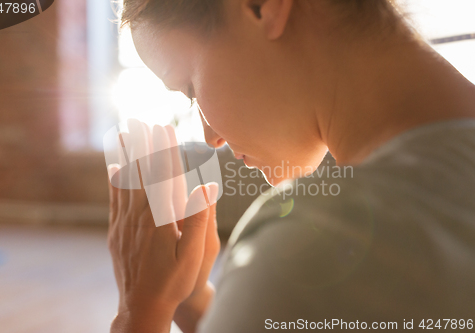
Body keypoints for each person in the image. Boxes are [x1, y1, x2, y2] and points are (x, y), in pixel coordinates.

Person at [107, 0, 475, 332]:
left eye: (189, 87)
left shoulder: (321, 245)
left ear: (261, 6)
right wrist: (191, 303)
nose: (210, 136)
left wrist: (139, 312)